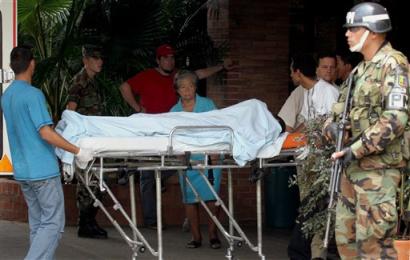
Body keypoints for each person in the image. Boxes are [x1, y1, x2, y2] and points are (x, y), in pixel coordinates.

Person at [325, 2, 409, 259]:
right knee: (346, 240)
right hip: (352, 171)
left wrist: (356, 149)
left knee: (373, 246)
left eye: (353, 28)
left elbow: (395, 119)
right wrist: (333, 129)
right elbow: (337, 113)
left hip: (378, 173)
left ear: (373, 31)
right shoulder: (359, 71)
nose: (347, 33)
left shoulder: (394, 64)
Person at [119, 44, 233, 229]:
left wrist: (221, 66)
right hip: (154, 132)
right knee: (149, 174)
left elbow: (199, 74)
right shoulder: (147, 75)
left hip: (177, 133)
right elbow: (124, 87)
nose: (169, 61)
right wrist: (138, 109)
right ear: (158, 60)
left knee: (180, 166)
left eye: (171, 57)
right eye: (165, 57)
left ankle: (190, 209)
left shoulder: (179, 77)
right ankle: (151, 221)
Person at [1, 46, 93, 260]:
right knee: (53, 224)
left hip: (23, 171)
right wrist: (78, 150)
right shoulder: (33, 95)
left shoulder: (6, 96)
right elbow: (45, 133)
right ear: (32, 63)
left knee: (38, 225)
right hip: (42, 170)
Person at [287, 53, 339, 260]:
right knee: (309, 207)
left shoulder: (327, 92)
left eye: (292, 71)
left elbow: (330, 126)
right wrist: (287, 139)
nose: (291, 75)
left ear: (298, 73)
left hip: (323, 162)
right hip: (309, 159)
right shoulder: (309, 92)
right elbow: (307, 124)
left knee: (319, 208)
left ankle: (319, 254)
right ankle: (314, 254)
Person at [170, 70, 222, 249]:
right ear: (177, 90)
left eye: (190, 86)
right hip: (187, 160)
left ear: (195, 87)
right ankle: (196, 237)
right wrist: (179, 156)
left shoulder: (208, 104)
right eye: (182, 87)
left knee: (211, 198)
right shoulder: (174, 111)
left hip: (210, 156)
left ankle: (214, 235)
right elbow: (173, 138)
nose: (187, 90)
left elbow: (220, 128)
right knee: (190, 199)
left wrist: (215, 153)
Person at [66, 44, 107, 239]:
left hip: (96, 139)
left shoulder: (94, 81)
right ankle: (85, 224)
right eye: (95, 58)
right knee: (86, 184)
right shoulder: (79, 82)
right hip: (84, 141)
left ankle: (91, 221)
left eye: (100, 58)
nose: (100, 61)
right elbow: (70, 112)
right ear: (86, 60)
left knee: (97, 182)